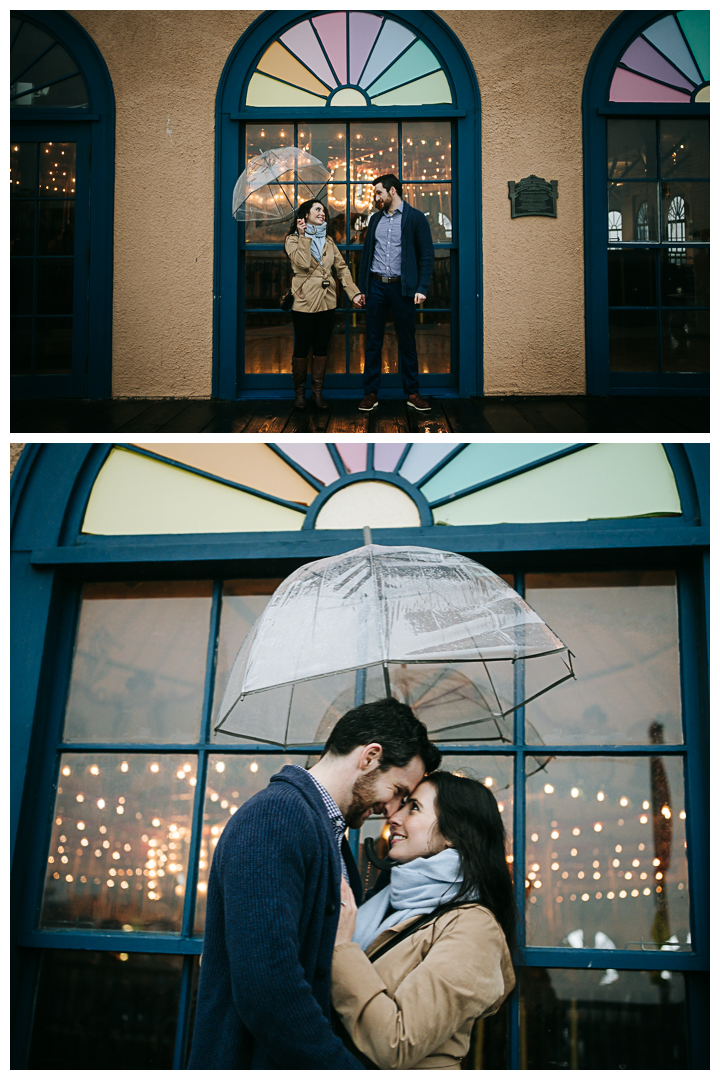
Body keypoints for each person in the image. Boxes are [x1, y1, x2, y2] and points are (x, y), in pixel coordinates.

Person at [187, 698, 442, 1070]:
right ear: (369, 757)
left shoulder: (327, 834)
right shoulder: (276, 816)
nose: (392, 810)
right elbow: (268, 991)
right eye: (398, 790)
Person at [331, 770, 517, 1070]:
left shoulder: (473, 928)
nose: (393, 818)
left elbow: (397, 1044)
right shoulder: (391, 901)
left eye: (414, 807)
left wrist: (342, 949)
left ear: (453, 833)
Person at [356, 174, 434, 414]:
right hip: (377, 286)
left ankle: (412, 392)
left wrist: (421, 288)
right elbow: (367, 255)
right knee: (373, 342)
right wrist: (362, 289)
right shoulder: (376, 219)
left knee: (407, 342)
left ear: (392, 191)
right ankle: (371, 393)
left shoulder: (416, 218)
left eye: (378, 193)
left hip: (403, 289)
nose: (376, 198)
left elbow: (427, 256)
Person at [285, 198, 363, 410]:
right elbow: (301, 263)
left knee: (321, 347)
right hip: (303, 301)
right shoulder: (292, 240)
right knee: (302, 347)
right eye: (317, 209)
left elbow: (342, 268)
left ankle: (316, 393)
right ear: (306, 215)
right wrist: (303, 236)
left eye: (324, 211)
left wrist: (353, 293)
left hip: (328, 301)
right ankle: (299, 393)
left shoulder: (328, 241)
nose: (323, 213)